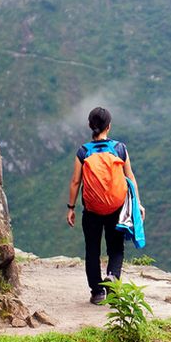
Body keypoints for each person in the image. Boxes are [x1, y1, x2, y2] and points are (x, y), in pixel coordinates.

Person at [67, 107, 144, 304]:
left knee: (92, 250)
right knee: (116, 248)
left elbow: (75, 182)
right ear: (109, 126)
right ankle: (112, 279)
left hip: (91, 210)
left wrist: (71, 208)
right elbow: (130, 177)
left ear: (90, 126)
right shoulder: (120, 149)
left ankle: (97, 292)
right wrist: (138, 204)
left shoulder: (83, 152)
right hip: (116, 209)